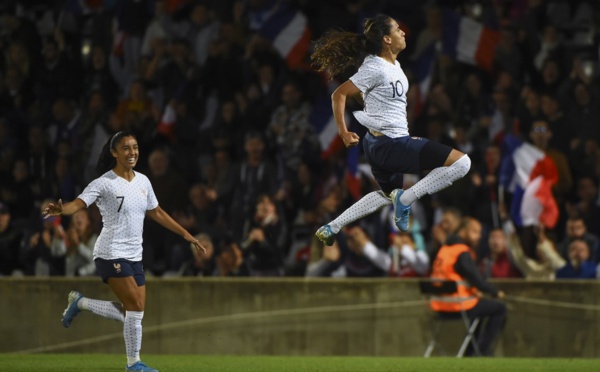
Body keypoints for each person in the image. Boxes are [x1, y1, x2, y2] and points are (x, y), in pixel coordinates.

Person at [42, 131, 205, 372]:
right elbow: (79, 203)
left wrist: (186, 234)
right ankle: (133, 365)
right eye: (126, 148)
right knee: (136, 306)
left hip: (134, 255)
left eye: (135, 147)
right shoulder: (103, 182)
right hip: (110, 251)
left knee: (133, 311)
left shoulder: (143, 182)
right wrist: (62, 209)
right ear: (115, 152)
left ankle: (81, 303)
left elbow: (157, 212)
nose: (132, 152)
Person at [310, 15, 471, 245]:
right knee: (462, 163)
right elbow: (339, 94)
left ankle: (332, 226)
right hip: (392, 144)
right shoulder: (376, 67)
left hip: (377, 145)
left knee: (387, 196)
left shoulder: (392, 65)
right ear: (386, 39)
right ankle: (407, 199)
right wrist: (344, 132)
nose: (403, 32)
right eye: (397, 29)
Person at [429, 217, 507, 356]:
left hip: (439, 306)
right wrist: (494, 292)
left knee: (481, 308)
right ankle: (482, 352)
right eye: (475, 232)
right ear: (464, 232)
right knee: (500, 309)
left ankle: (470, 352)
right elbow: (475, 278)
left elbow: (454, 276)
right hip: (457, 305)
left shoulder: (445, 249)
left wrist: (473, 291)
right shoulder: (461, 251)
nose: (479, 236)